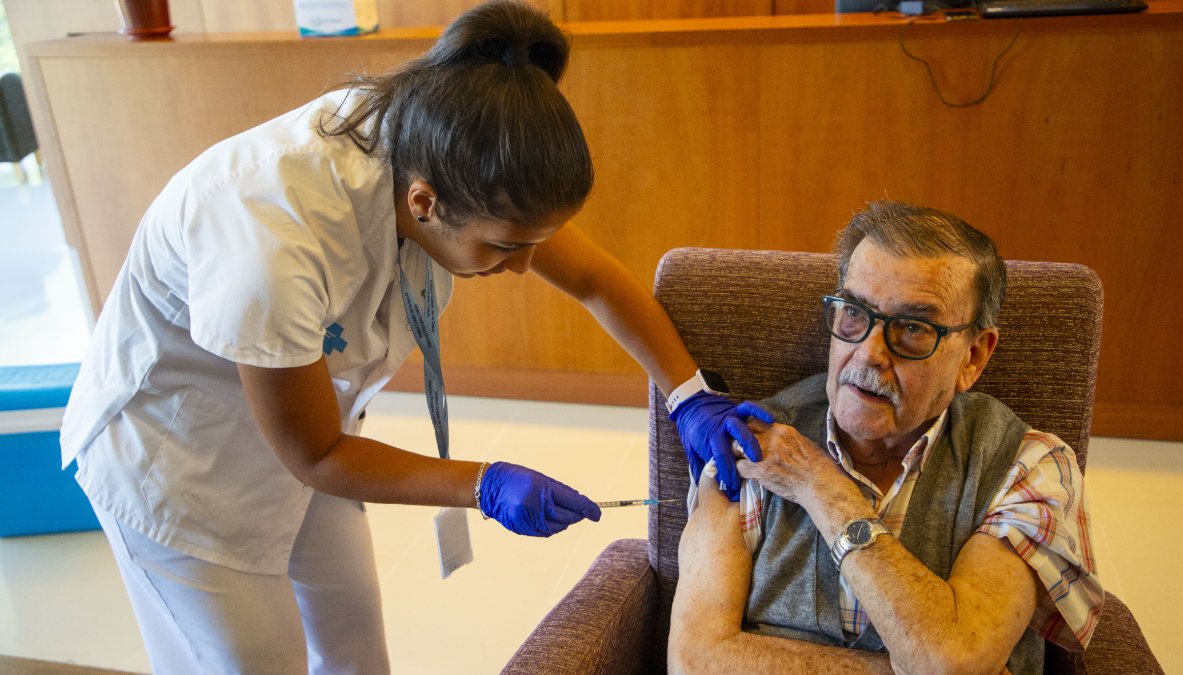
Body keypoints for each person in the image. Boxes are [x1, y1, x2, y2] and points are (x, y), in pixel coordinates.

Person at [58, 1, 762, 672]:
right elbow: (317, 452)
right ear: (425, 202)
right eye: (505, 247)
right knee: (254, 662)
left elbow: (597, 281)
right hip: (182, 459)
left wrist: (689, 395)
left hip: (308, 425)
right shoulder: (272, 238)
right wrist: (482, 483)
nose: (524, 266)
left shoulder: (453, 146)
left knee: (355, 646)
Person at [668, 201, 1104, 675]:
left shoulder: (1028, 465)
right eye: (855, 313)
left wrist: (823, 487)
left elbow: (955, 661)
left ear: (973, 357)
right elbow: (693, 662)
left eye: (914, 328)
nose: (869, 353)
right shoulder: (750, 443)